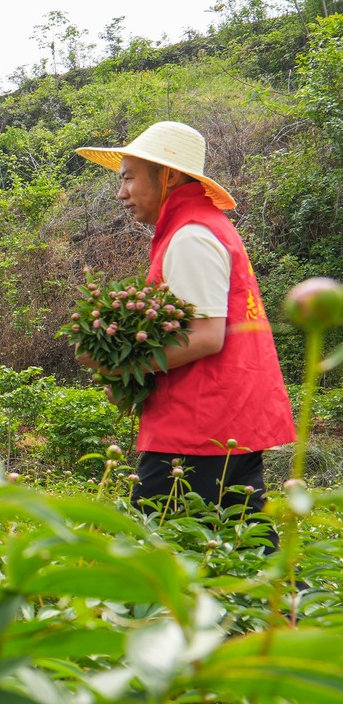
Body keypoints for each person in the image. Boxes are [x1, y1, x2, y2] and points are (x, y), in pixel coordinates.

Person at [73, 121, 295, 520]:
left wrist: (120, 366)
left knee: (158, 538)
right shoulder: (199, 226)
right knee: (240, 545)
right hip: (220, 421)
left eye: (128, 178)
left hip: (200, 426)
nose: (121, 193)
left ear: (169, 176)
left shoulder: (191, 236)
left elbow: (207, 336)